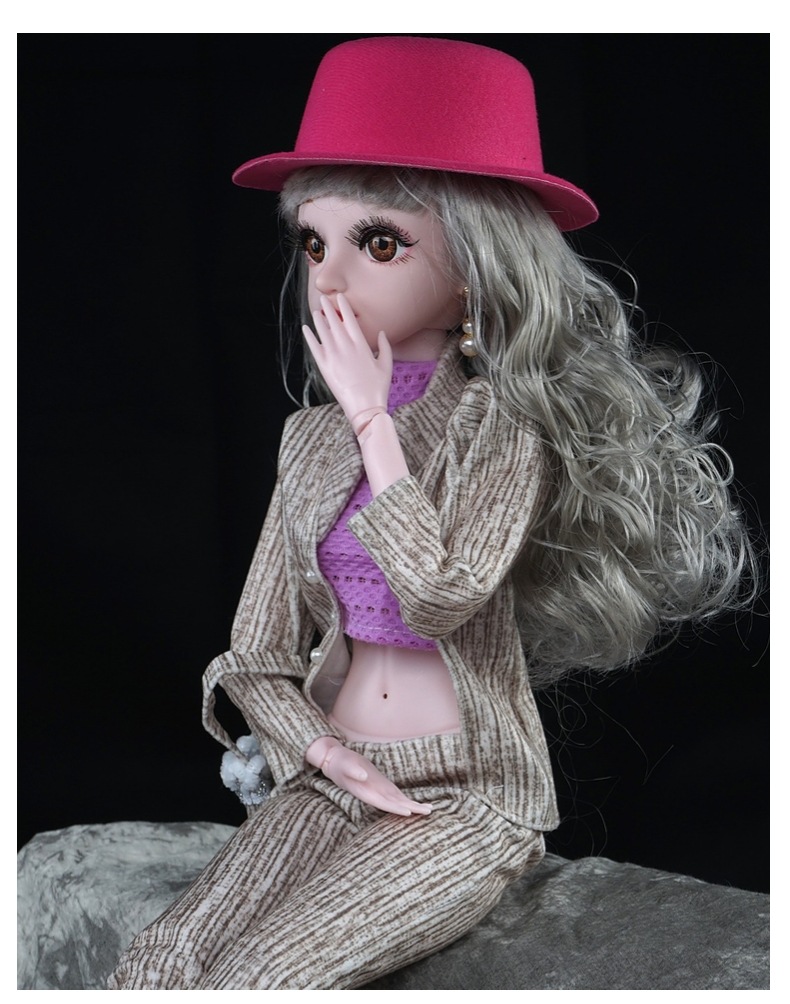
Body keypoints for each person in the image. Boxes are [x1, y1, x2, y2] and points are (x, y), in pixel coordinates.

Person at [107, 36, 753, 990]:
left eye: (379, 243)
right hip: (331, 771)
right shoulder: (309, 441)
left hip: (463, 793)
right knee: (158, 957)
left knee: (264, 974)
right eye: (313, 242)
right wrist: (318, 750)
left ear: (474, 269)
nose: (328, 278)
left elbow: (442, 596)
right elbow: (257, 652)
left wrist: (375, 422)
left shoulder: (502, 426)